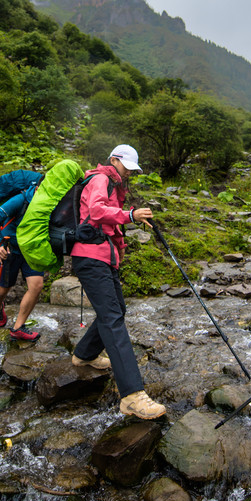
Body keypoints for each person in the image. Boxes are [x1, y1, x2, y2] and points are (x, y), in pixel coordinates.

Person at [69, 144, 166, 420]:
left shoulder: (114, 186)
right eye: (126, 168)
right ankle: (132, 396)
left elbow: (110, 224)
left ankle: (84, 354)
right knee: (113, 319)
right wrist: (130, 215)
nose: (128, 174)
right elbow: (98, 212)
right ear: (113, 160)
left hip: (104, 256)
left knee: (116, 311)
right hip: (90, 256)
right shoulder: (100, 179)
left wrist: (121, 243)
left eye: (131, 171)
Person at [0, 182, 45, 342]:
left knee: (37, 285)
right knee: (3, 290)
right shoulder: (20, 200)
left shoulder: (49, 202)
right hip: (10, 249)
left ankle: (18, 327)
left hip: (31, 249)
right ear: (38, 187)